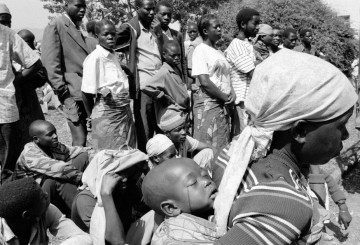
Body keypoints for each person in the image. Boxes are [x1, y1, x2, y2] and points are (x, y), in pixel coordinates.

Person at [211, 49, 357, 244]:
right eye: (340, 126)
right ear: (300, 132)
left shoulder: (233, 153)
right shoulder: (284, 204)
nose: (346, 135)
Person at [71, 148, 149, 245]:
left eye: (126, 173)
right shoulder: (86, 200)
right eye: (117, 174)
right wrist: (106, 195)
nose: (124, 179)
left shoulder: (125, 187)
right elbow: (116, 241)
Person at [14, 120, 91, 215]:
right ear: (36, 139)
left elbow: (75, 151)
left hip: (51, 184)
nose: (55, 136)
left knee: (83, 156)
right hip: (34, 195)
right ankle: (81, 213)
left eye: (55, 132)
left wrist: (101, 155)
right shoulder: (29, 154)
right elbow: (59, 169)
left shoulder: (51, 145)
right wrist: (86, 178)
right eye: (50, 134)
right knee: (57, 178)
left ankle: (82, 198)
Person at [82, 20, 136, 150]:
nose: (110, 37)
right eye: (106, 34)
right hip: (108, 112)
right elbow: (86, 92)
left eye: (113, 34)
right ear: (97, 36)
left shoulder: (113, 56)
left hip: (123, 110)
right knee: (110, 150)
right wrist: (91, 116)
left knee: (126, 149)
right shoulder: (95, 58)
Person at [42, 0, 90, 146]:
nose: (82, 10)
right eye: (78, 6)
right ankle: (75, 168)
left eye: (84, 7)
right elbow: (50, 62)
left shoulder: (77, 27)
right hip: (71, 92)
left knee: (84, 137)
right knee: (79, 139)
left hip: (83, 90)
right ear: (66, 6)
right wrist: (62, 91)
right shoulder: (57, 25)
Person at [116, 0, 162, 152]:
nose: (151, 13)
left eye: (153, 10)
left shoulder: (154, 28)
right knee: (145, 130)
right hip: (143, 88)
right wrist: (124, 69)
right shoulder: (131, 28)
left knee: (160, 126)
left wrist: (159, 33)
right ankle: (145, 164)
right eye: (147, 9)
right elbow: (108, 42)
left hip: (160, 86)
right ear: (137, 9)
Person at [142, 158, 220, 244]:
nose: (206, 182)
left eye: (204, 175)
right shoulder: (175, 240)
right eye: (193, 182)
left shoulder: (204, 213)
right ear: (171, 208)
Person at [0, 16, 42, 171]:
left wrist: (15, 80)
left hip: (4, 110)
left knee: (8, 164)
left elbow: (35, 62)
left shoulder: (7, 34)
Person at [0, 178, 92, 245]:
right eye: (42, 197)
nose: (46, 194)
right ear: (27, 215)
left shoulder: (47, 210)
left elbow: (84, 238)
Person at [192, 14, 235, 149]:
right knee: (208, 144)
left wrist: (232, 92)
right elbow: (204, 81)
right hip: (209, 103)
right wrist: (224, 97)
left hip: (223, 103)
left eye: (220, 27)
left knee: (221, 142)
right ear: (205, 31)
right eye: (216, 27)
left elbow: (227, 76)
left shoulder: (219, 52)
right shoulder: (200, 50)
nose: (219, 29)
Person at [224, 8, 259, 136]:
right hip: (241, 102)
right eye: (255, 23)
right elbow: (253, 73)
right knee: (241, 139)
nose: (258, 27)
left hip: (247, 102)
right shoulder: (237, 45)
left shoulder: (246, 44)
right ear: (243, 25)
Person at [14, 29, 47, 164]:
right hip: (17, 105)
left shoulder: (33, 57)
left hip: (30, 103)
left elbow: (41, 77)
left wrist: (20, 77)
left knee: (35, 135)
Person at [142, 41, 190, 124]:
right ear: (164, 55)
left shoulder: (176, 68)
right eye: (173, 56)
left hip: (183, 111)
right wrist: (162, 96)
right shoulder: (164, 72)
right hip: (174, 113)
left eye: (179, 55)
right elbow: (145, 86)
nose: (177, 58)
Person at [154, 0, 188, 88]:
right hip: (162, 79)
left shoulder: (177, 35)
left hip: (178, 78)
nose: (166, 17)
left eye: (169, 15)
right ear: (156, 14)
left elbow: (183, 61)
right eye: (163, 14)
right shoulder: (152, 35)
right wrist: (158, 34)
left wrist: (185, 82)